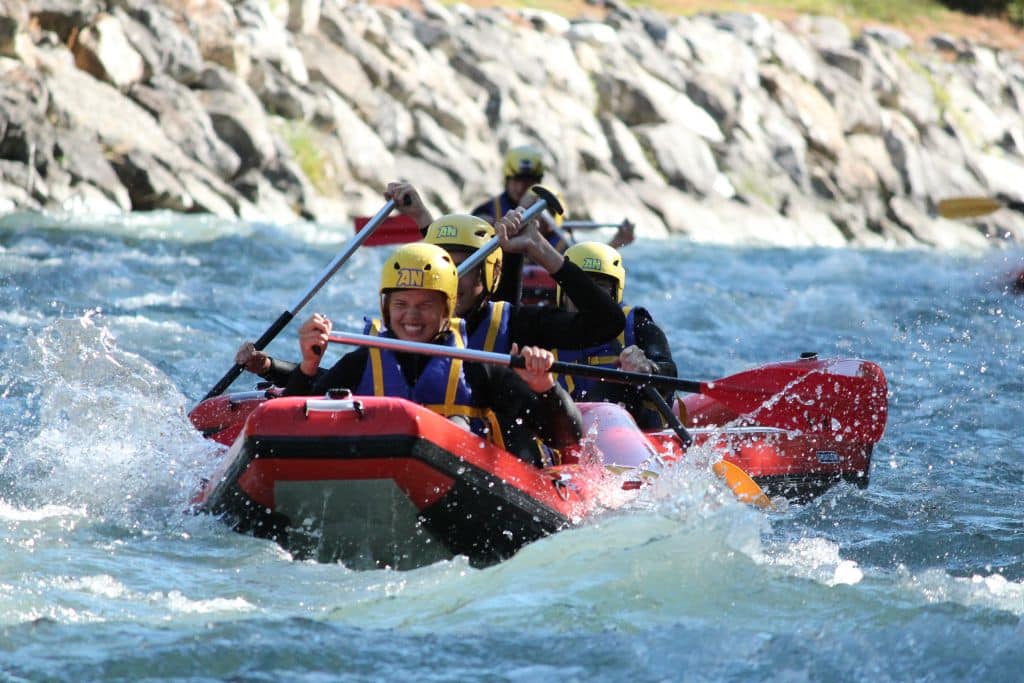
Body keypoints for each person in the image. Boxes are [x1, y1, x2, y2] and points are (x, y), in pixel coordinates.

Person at [281, 242, 582, 467]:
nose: (412, 316)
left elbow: (564, 438)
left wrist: (545, 387)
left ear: (446, 309)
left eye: (425, 305)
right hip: (374, 474)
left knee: (458, 425)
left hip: (460, 488)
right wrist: (309, 366)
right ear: (386, 308)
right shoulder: (362, 362)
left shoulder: (477, 369)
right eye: (401, 305)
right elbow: (288, 429)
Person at [384, 181, 626, 354]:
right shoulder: (405, 328)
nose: (450, 279)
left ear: (489, 274)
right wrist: (422, 218)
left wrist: (538, 247)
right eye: (441, 270)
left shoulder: (514, 328)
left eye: (462, 269)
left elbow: (607, 322)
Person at [552, 241, 677, 430]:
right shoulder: (543, 329)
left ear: (614, 294)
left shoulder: (638, 326)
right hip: (567, 434)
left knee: (614, 386)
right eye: (579, 285)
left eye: (600, 287)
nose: (588, 296)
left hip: (632, 435)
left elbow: (669, 371)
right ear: (562, 291)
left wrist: (649, 369)